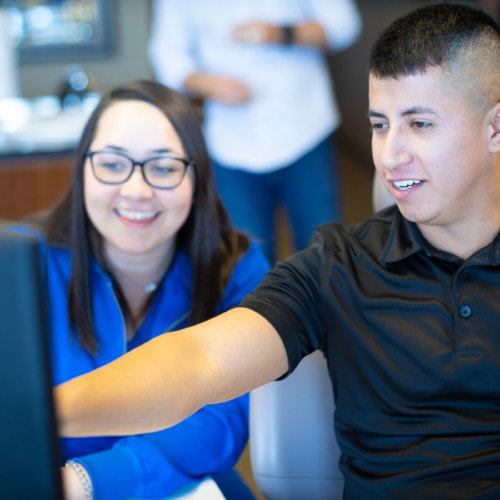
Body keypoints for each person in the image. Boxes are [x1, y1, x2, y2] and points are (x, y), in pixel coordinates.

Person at [55, 4, 500, 498]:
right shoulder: (337, 265)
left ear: (495, 128)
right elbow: (199, 360)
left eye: (419, 124)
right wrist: (34, 413)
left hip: (296, 129)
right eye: (379, 124)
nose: (390, 155)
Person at [14, 81, 269, 499]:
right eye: (113, 164)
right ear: (82, 169)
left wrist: (90, 481)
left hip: (186, 484)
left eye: (164, 168)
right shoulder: (23, 264)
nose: (136, 190)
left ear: (196, 177)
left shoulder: (237, 269)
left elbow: (226, 419)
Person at [148, 0, 362, 262]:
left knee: (325, 255)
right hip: (231, 143)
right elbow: (167, 57)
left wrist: (280, 33)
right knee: (248, 264)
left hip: (306, 129)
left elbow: (344, 25)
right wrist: (210, 85)